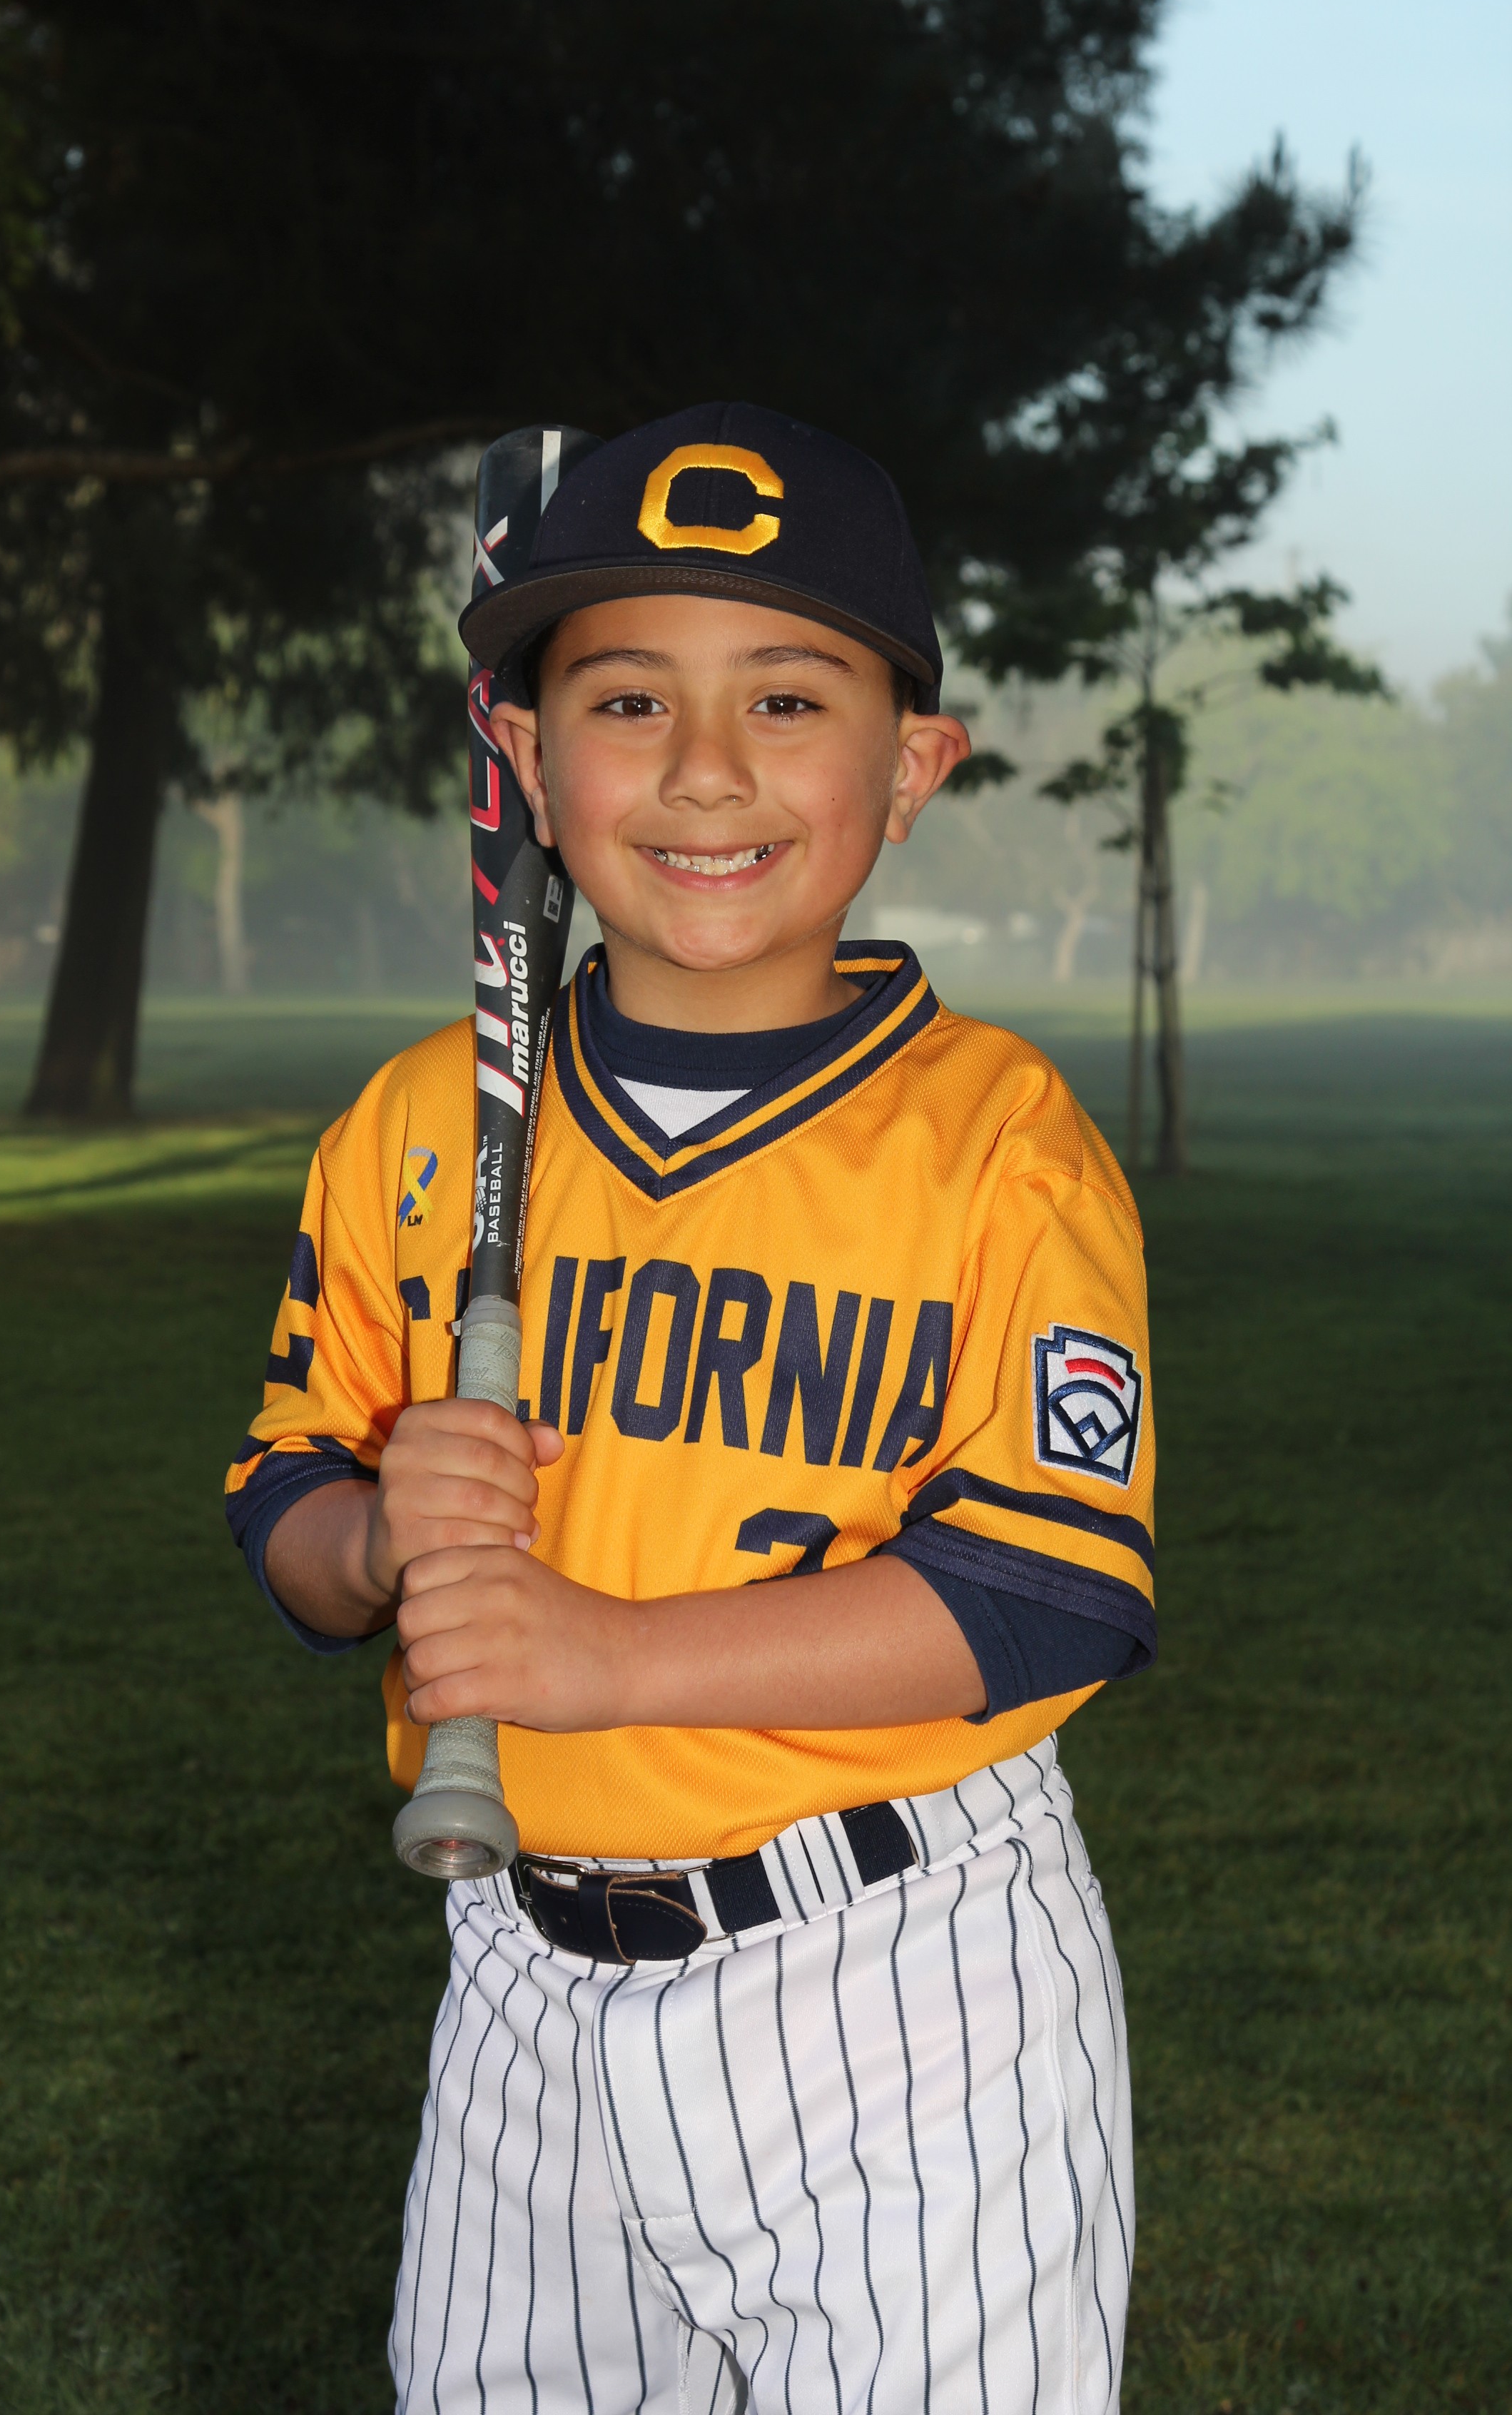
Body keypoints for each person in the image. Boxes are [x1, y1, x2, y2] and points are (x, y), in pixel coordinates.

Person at [225, 402, 1156, 2414]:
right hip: (523, 1989)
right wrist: (375, 1535)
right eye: (629, 699)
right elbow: (286, 1498)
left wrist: (610, 1659)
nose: (706, 767)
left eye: (789, 699)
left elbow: (1043, 1597)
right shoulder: (417, 1129)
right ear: (526, 760)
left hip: (905, 1987)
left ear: (912, 768)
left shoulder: (998, 1144)